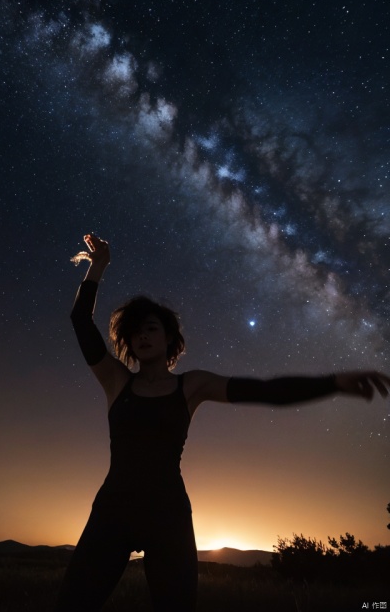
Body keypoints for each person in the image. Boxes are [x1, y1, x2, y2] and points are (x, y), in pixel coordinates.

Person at [55, 233, 390, 612]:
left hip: (168, 515)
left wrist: (332, 383)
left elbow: (265, 390)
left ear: (168, 338)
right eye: (136, 332)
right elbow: (80, 321)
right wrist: (98, 267)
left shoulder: (193, 385)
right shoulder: (117, 381)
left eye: (150, 327)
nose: (142, 335)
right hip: (112, 510)